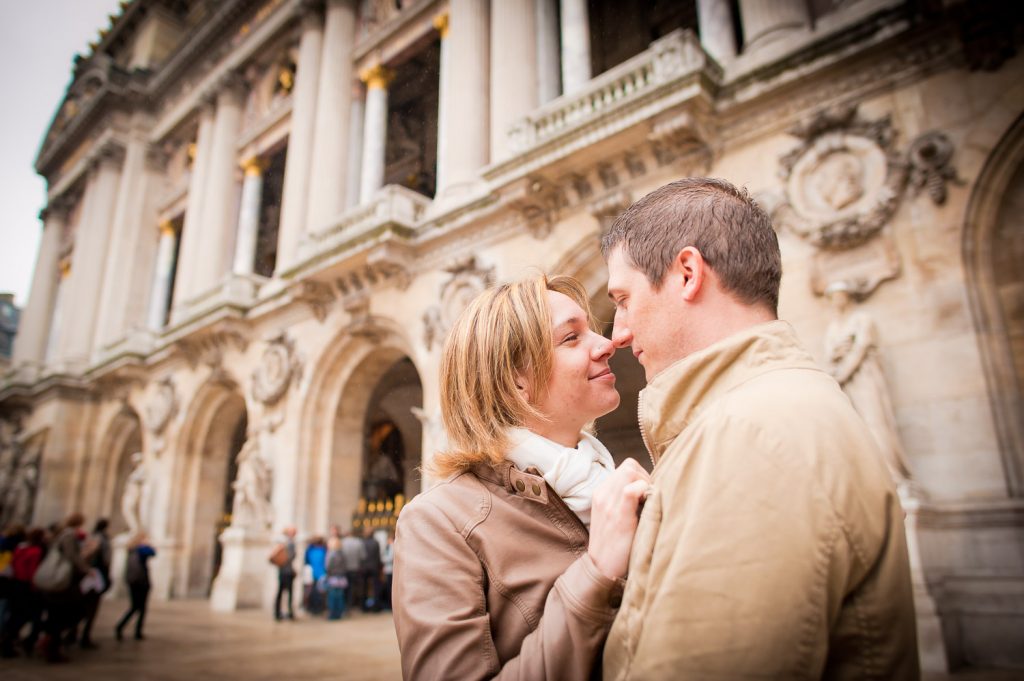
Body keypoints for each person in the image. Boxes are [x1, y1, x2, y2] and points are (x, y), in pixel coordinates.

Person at [600, 177, 919, 679]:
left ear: (687, 273)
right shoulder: (762, 413)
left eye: (622, 299)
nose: (617, 333)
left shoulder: (749, 435)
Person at [393, 274, 650, 680]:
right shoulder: (437, 522)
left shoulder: (617, 482)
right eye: (571, 338)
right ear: (515, 379)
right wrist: (597, 572)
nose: (606, 345)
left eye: (593, 332)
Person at [42, 512, 95, 663]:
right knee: (69, 612)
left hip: (60, 580)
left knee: (57, 613)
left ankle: (48, 641)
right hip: (63, 580)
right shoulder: (69, 536)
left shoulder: (62, 534)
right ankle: (51, 645)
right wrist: (87, 565)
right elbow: (71, 557)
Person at [1, 527, 44, 658]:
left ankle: (7, 640)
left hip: (16, 584)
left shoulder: (20, 548)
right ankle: (10, 642)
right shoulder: (36, 551)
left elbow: (13, 563)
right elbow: (32, 571)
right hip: (27, 586)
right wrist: (35, 587)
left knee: (15, 614)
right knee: (25, 615)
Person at [77, 518, 111, 649]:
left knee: (87, 605)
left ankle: (79, 634)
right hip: (94, 576)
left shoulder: (92, 537)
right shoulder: (100, 539)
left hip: (91, 575)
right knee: (90, 606)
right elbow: (104, 559)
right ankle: (83, 635)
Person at [115, 532, 155, 641]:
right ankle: (127, 628)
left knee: (138, 607)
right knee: (138, 607)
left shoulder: (131, 549)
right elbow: (152, 552)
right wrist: (147, 544)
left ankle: (132, 629)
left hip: (133, 581)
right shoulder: (140, 549)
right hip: (140, 581)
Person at [272, 526, 297, 621]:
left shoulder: (281, 542)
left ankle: (278, 612)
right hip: (287, 571)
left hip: (282, 570)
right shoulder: (290, 543)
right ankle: (288, 612)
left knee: (280, 592)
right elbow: (290, 557)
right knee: (288, 592)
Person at [339, 528, 365, 610]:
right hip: (354, 568)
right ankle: (350, 605)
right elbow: (362, 556)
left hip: (344, 569)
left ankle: (344, 605)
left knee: (343, 588)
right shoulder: (358, 542)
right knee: (351, 588)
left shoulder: (342, 542)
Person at [324, 537, 348, 620]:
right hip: (341, 577)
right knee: (340, 596)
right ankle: (339, 613)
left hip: (333, 577)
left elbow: (327, 566)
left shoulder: (331, 554)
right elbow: (345, 565)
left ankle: (333, 614)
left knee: (332, 596)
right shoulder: (343, 554)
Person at [303, 536, 327, 615]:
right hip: (319, 573)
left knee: (314, 591)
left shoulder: (310, 551)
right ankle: (317, 607)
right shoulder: (322, 550)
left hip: (315, 573)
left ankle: (314, 607)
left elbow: (306, 562)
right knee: (318, 591)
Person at [359, 529, 382, 612]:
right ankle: (376, 607)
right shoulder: (376, 543)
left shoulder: (362, 543)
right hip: (374, 567)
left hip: (364, 567)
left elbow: (361, 556)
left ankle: (363, 607)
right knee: (376, 587)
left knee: (364, 587)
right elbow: (378, 556)